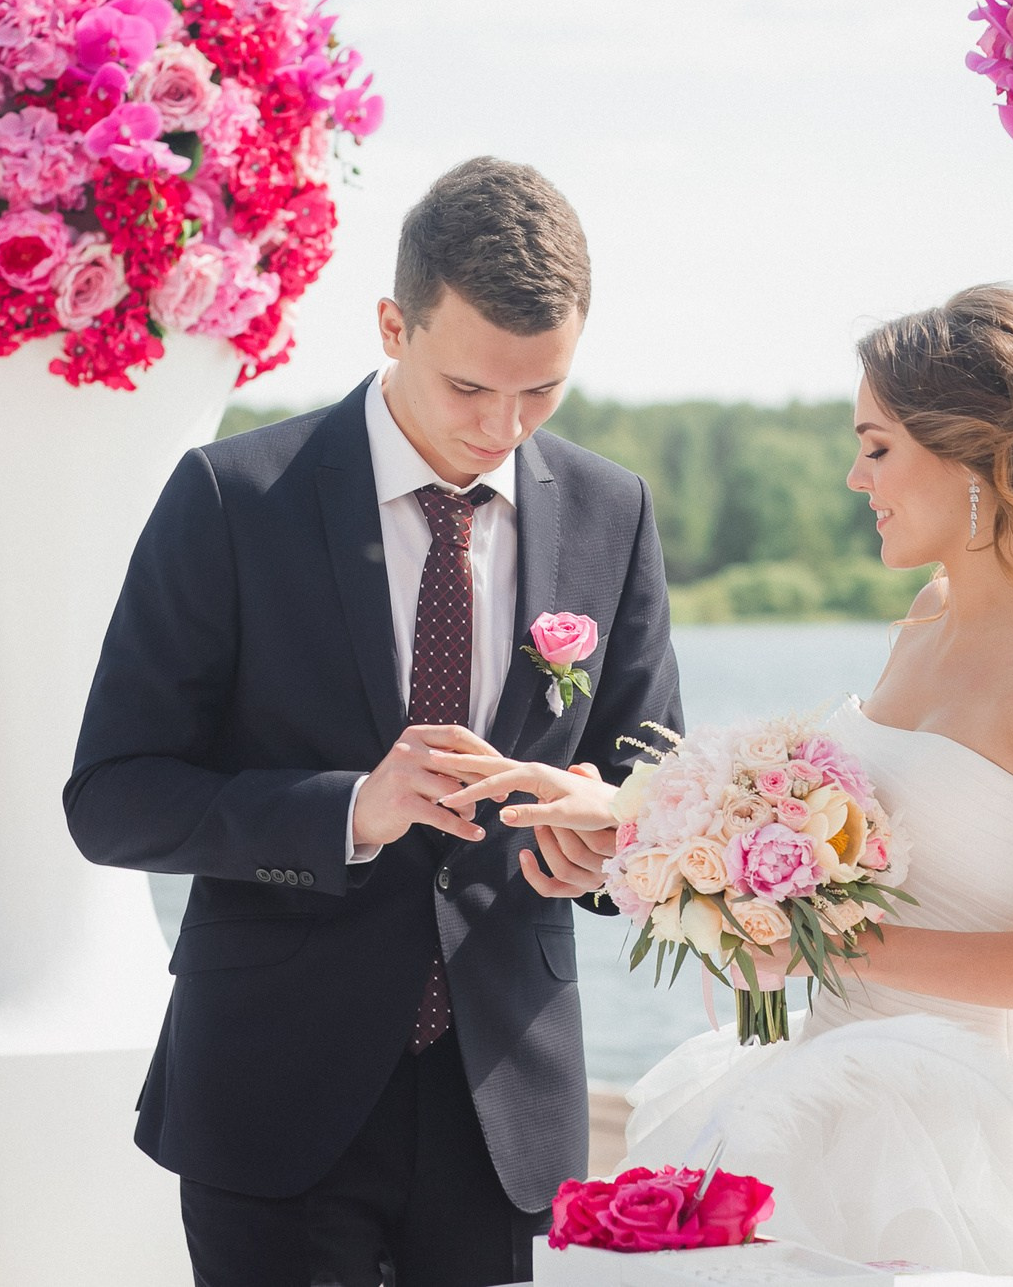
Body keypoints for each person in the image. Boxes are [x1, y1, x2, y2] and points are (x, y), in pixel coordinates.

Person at [442, 284, 1013, 1283]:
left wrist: (835, 939)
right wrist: (628, 823)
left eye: (876, 446)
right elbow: (845, 852)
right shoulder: (929, 610)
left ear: (970, 461)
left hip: (943, 1136)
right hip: (794, 1082)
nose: (853, 475)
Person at [61, 156, 683, 1287]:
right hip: (271, 1091)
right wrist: (348, 808)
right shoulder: (230, 499)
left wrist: (609, 833)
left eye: (542, 393)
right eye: (470, 389)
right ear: (393, 323)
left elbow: (655, 783)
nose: (504, 426)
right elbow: (111, 795)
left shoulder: (610, 509)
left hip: (502, 1099)